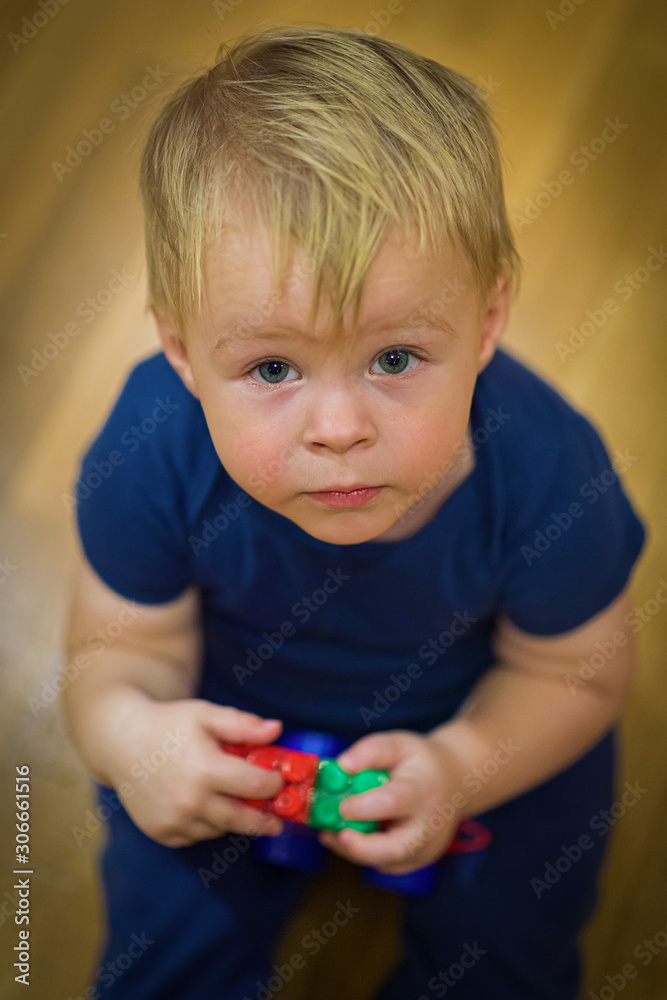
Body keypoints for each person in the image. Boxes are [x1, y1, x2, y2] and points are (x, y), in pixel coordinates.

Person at [62, 23, 646, 1000]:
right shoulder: (149, 449)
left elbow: (574, 675)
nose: (338, 427)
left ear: (489, 317)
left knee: (510, 943)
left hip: (478, 723)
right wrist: (131, 738)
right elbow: (115, 655)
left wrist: (461, 767)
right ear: (179, 350)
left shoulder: (549, 473)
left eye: (393, 358)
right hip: (226, 734)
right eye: (272, 368)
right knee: (160, 951)